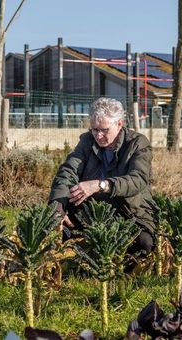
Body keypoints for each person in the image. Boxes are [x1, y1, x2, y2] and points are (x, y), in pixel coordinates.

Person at [48, 97, 156, 260]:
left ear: (119, 124)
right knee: (61, 229)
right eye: (94, 129)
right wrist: (58, 208)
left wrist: (101, 185)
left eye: (104, 130)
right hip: (92, 212)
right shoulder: (87, 141)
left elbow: (137, 180)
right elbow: (68, 172)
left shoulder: (137, 144)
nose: (98, 135)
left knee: (144, 243)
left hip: (129, 212)